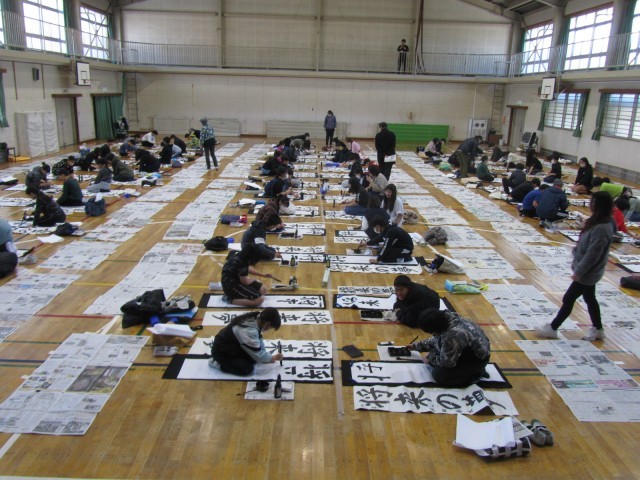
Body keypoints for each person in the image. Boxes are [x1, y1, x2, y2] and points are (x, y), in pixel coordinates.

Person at [535, 192, 616, 341]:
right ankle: (598, 329)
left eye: (593, 202)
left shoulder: (603, 227)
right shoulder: (597, 222)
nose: (590, 204)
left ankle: (553, 328)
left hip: (588, 273)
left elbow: (593, 254)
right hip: (586, 271)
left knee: (569, 298)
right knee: (590, 298)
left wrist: (579, 271)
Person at [407, 309, 491, 387]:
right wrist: (416, 346)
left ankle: (475, 374)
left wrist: (429, 358)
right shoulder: (450, 319)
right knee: (436, 351)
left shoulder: (452, 335)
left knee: (439, 375)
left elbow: (447, 363)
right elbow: (437, 339)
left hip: (476, 361)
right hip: (471, 351)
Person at [209, 308, 283, 376]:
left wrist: (267, 357)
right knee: (246, 369)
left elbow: (258, 339)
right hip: (222, 352)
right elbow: (258, 354)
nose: (269, 329)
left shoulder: (257, 317)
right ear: (267, 324)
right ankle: (217, 363)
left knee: (253, 359)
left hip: (233, 345)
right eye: (270, 327)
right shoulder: (249, 331)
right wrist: (272, 357)